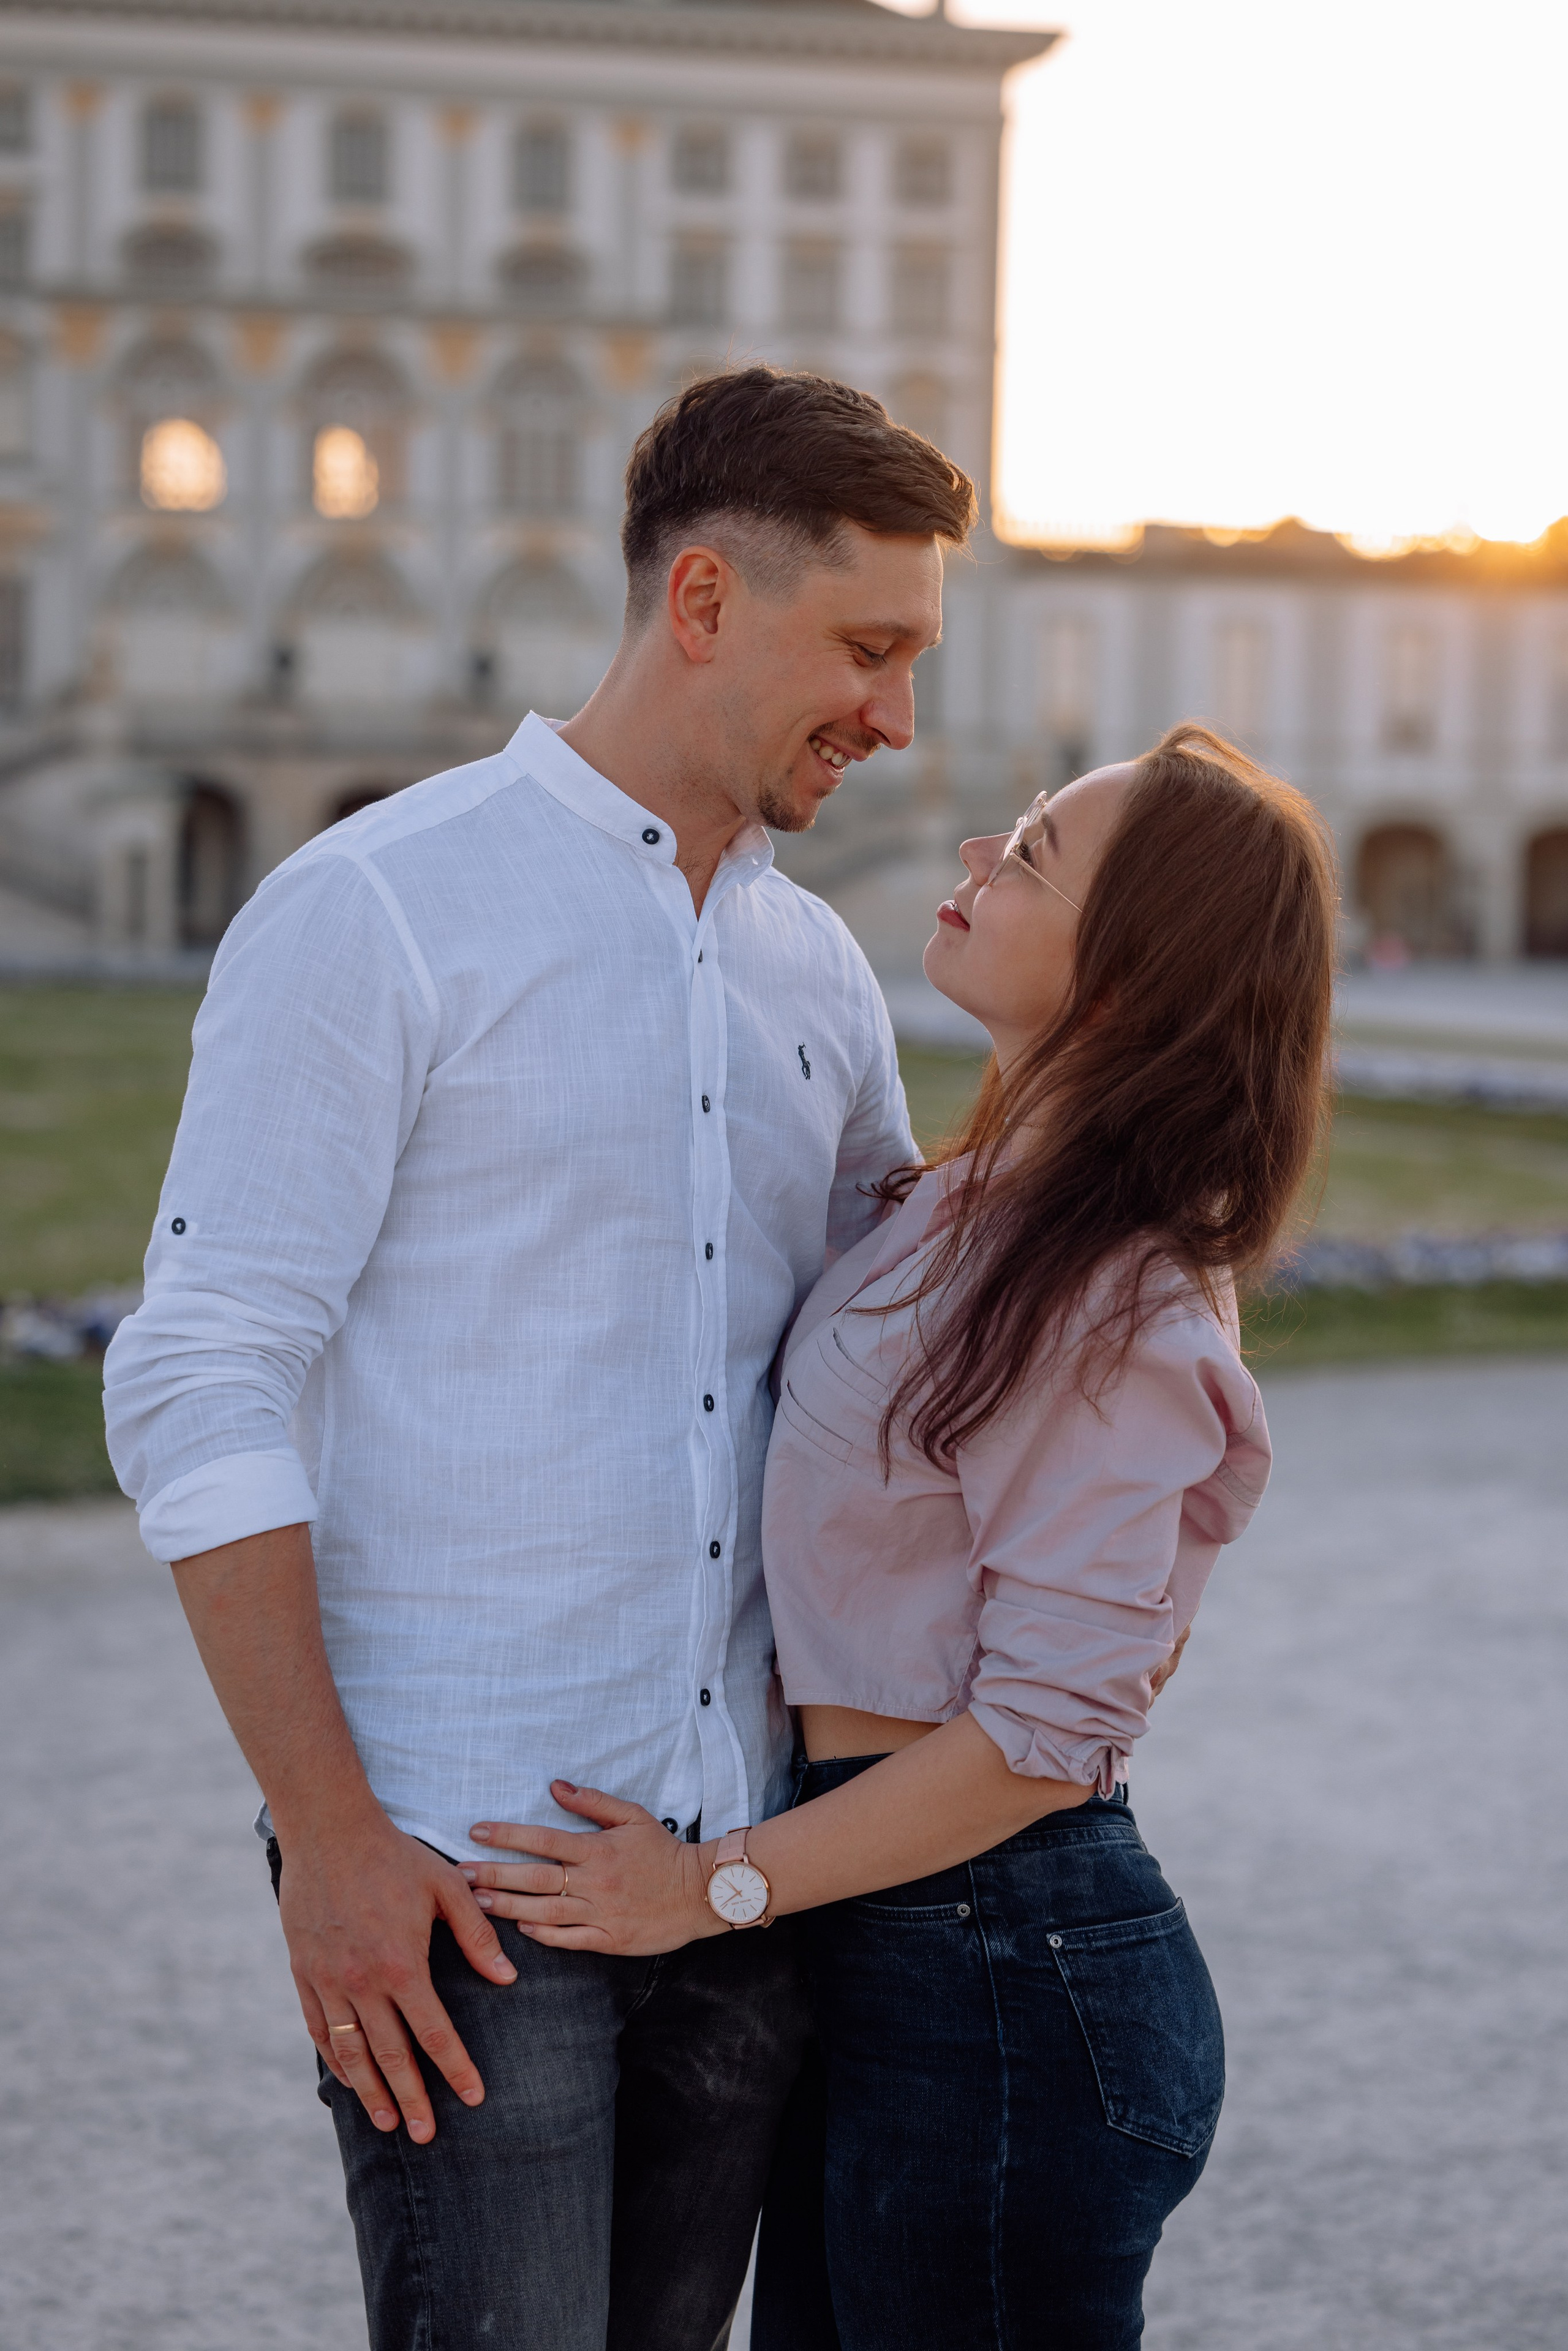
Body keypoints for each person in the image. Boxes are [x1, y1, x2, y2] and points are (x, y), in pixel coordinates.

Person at [102, 366, 977, 2351]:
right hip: (460, 1885)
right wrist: (330, 1842)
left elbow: (899, 1334)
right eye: (869, 648)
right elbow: (199, 1375)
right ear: (699, 601)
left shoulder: (815, 968)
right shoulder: (375, 911)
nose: (897, 717)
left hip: (739, 1868)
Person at [456, 725, 1339, 2349]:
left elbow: (1051, 1733)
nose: (970, 867)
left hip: (1003, 1967)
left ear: (1135, 974)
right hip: (900, 1942)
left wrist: (705, 1889)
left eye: (1028, 859)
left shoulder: (1120, 1293)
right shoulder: (965, 1205)